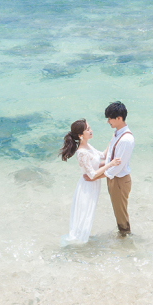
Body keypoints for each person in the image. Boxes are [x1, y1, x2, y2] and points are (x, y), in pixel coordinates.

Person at [59, 119, 121, 245]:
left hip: (93, 185)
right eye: (87, 129)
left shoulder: (88, 146)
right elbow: (92, 174)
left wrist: (113, 138)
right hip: (87, 187)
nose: (91, 130)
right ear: (80, 135)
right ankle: (77, 243)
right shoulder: (81, 152)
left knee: (88, 214)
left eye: (89, 128)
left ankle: (81, 240)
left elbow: (103, 155)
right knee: (84, 214)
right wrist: (110, 164)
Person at [85, 101, 134, 236]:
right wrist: (94, 165)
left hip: (119, 180)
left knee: (120, 213)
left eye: (110, 118)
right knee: (118, 211)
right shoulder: (117, 133)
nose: (108, 121)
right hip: (113, 179)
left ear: (119, 118)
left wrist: (93, 176)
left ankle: (125, 238)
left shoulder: (126, 139)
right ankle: (124, 237)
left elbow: (115, 169)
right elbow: (108, 158)